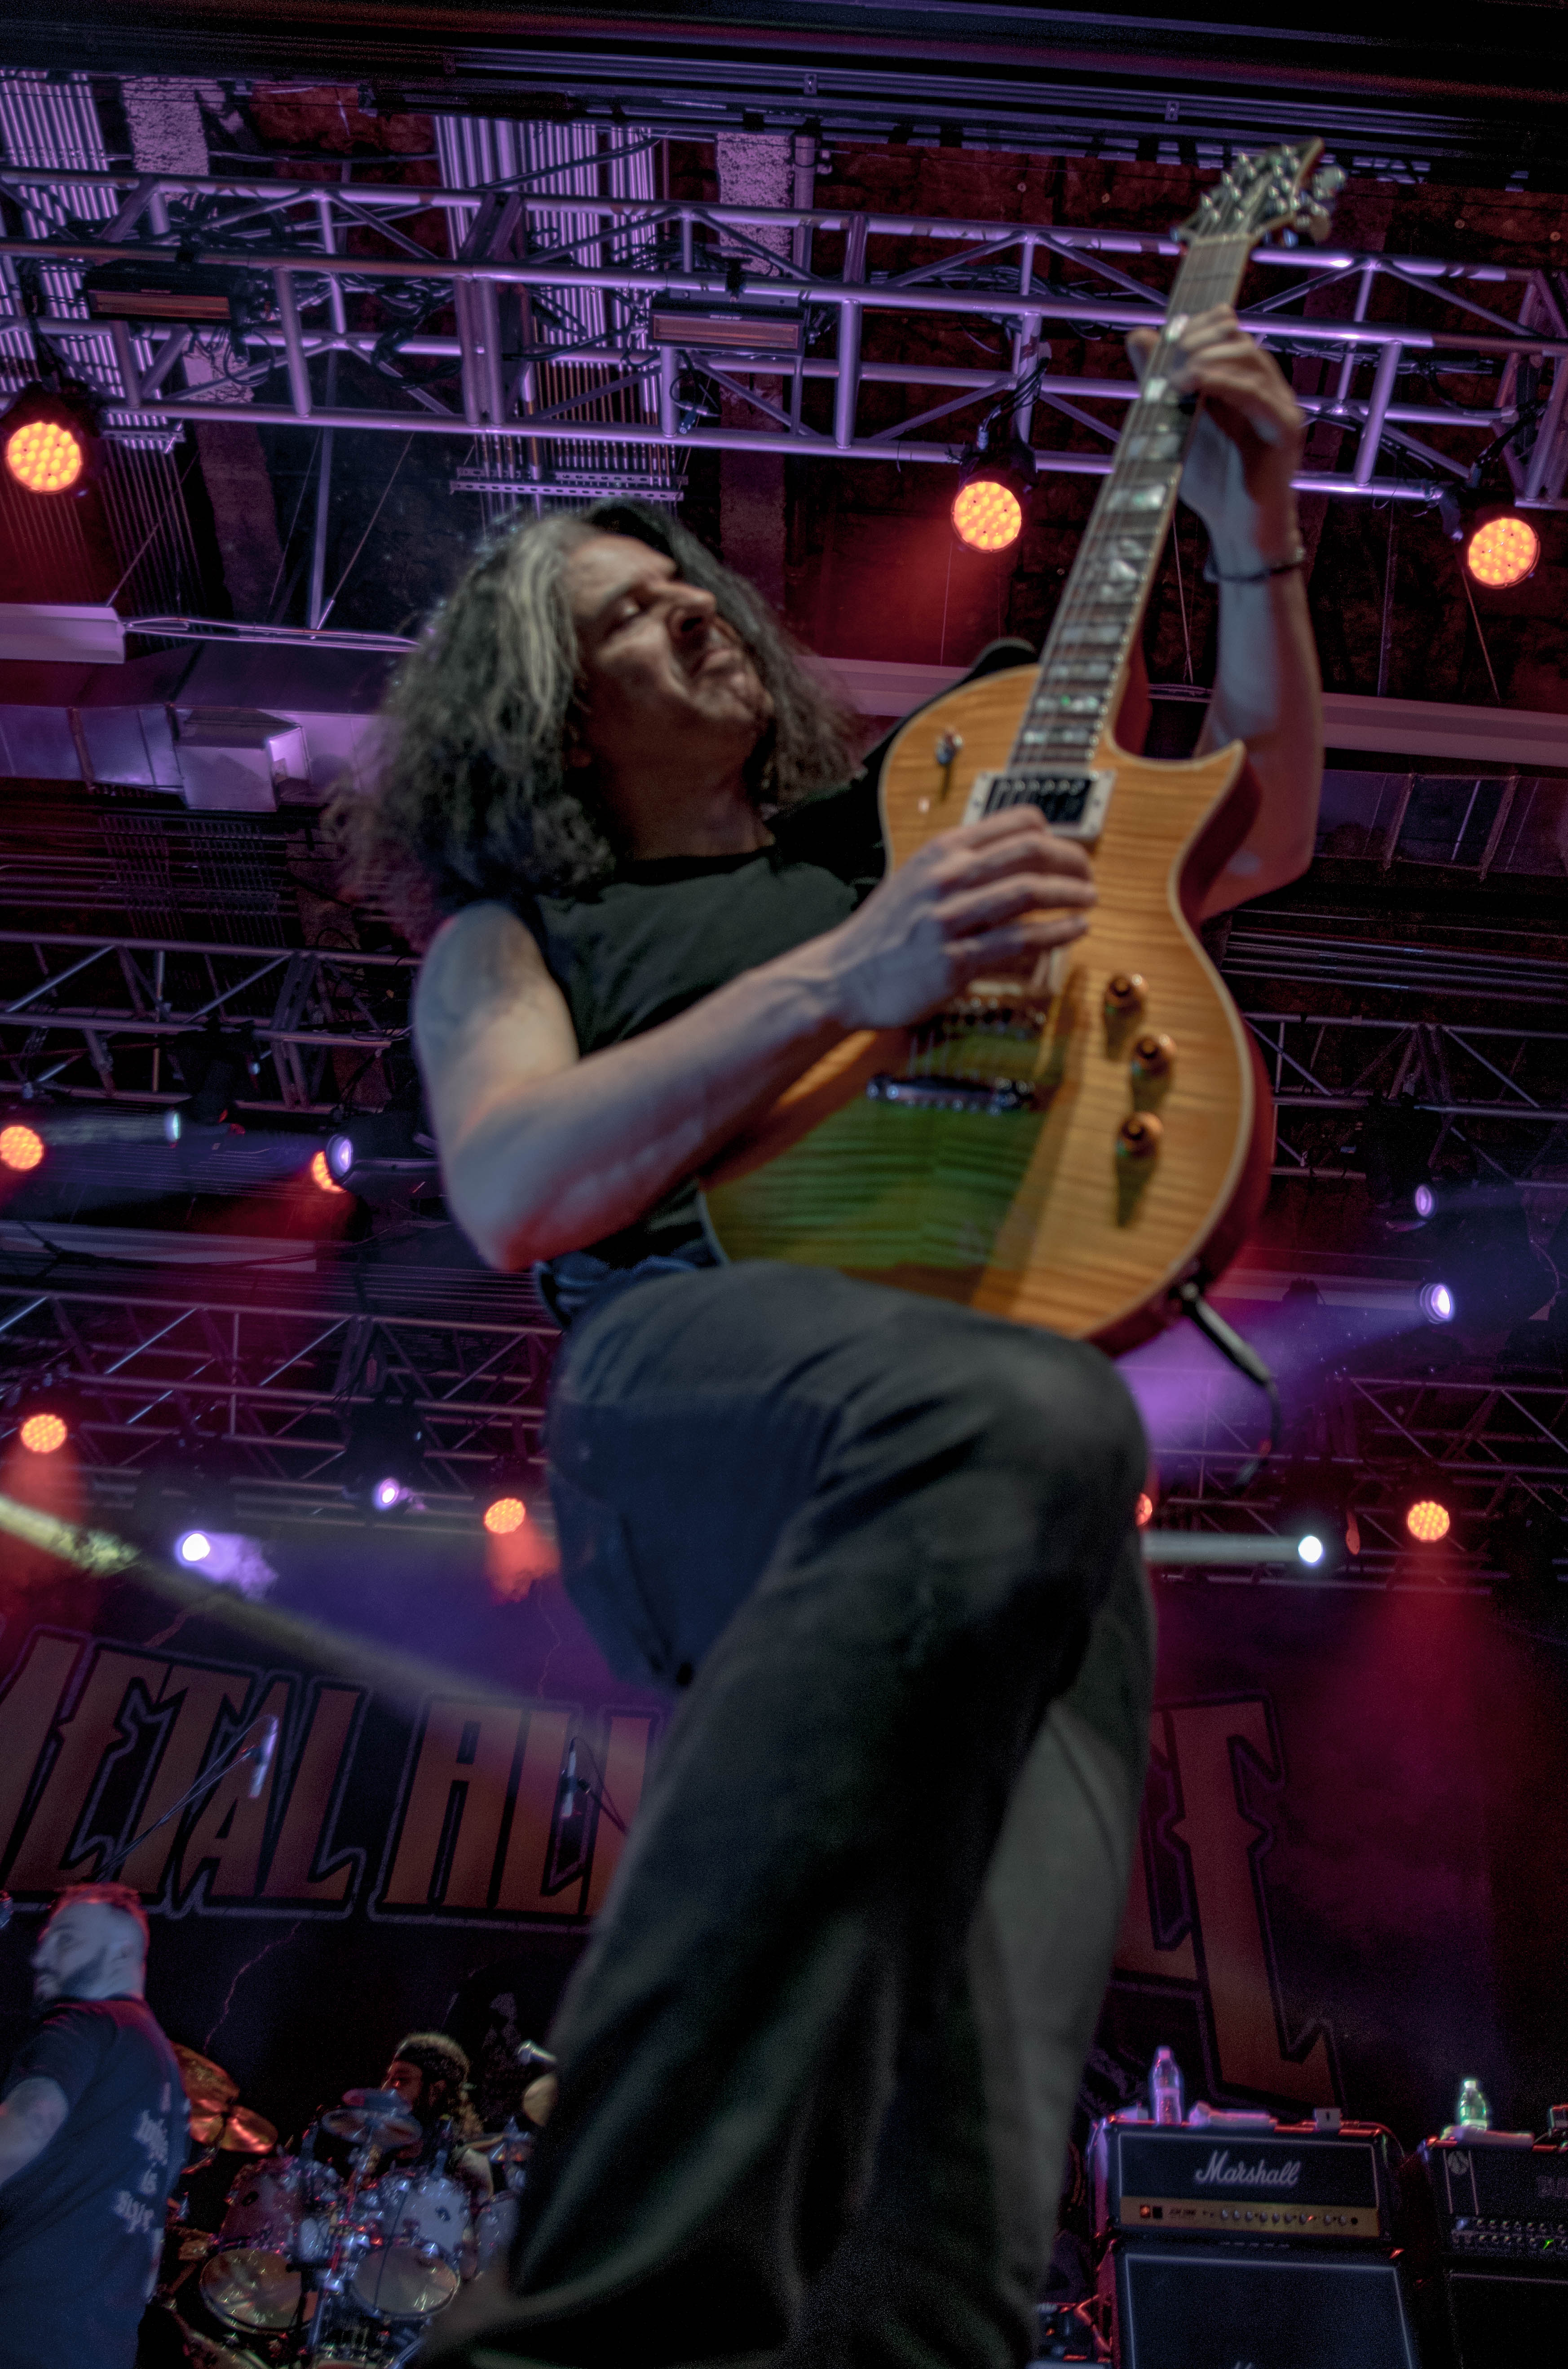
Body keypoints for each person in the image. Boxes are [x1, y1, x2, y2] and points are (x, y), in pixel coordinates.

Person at [340, 304, 1322, 2369]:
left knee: (984, 2073)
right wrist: (845, 978)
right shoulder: (523, 937)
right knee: (1041, 1412)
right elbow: (513, 1185)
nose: (697, 608)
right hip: (688, 1377)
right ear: (548, 716)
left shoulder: (905, 827)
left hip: (996, 1458)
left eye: (690, 582)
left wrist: (1256, 533)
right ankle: (597, 2311)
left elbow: (1253, 827)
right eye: (627, 614)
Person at [0, 1883, 187, 2369]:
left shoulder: (87, 2021)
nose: (41, 1959)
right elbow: (149, 2255)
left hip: (18, 2332)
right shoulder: (168, 2081)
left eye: (66, 1940)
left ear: (122, 1951)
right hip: (99, 2349)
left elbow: (29, 2125)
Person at [381, 2031, 495, 2224]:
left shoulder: (468, 2166)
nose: (386, 2089)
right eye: (388, 2079)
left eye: (401, 2080)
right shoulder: (378, 2151)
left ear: (436, 2090)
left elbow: (479, 2236)